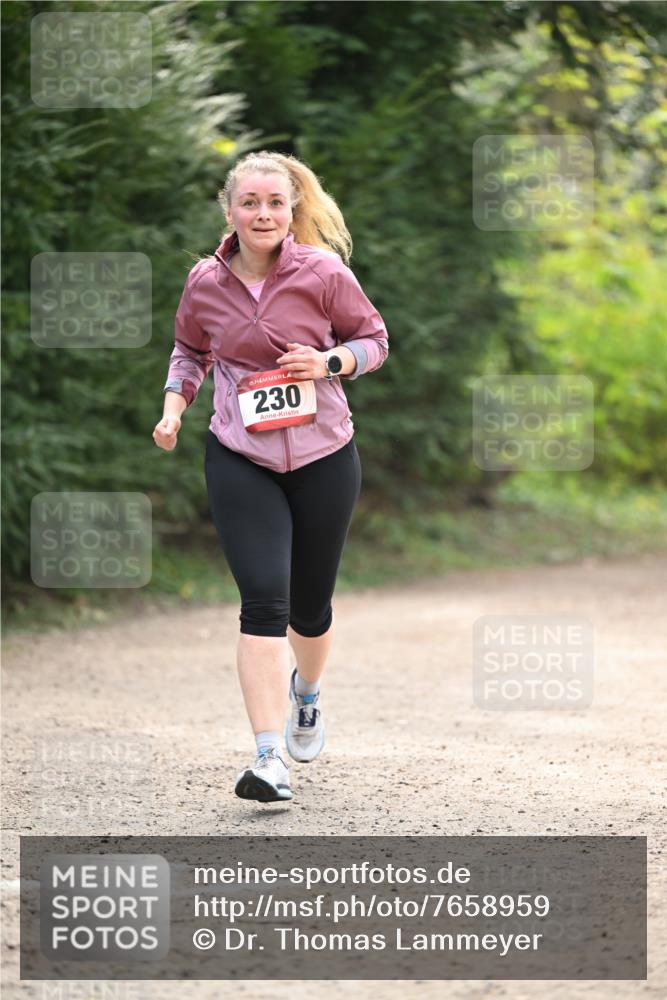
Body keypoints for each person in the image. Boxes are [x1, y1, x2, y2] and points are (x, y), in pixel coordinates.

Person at [153, 150, 389, 804]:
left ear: (291, 211)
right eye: (249, 202)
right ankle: (266, 759)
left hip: (323, 457)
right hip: (239, 455)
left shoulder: (322, 272)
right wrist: (174, 407)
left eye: (274, 203)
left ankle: (305, 696)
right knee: (263, 599)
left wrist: (330, 360)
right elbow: (189, 350)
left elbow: (374, 340)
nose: (262, 213)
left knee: (309, 608)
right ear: (229, 210)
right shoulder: (204, 281)